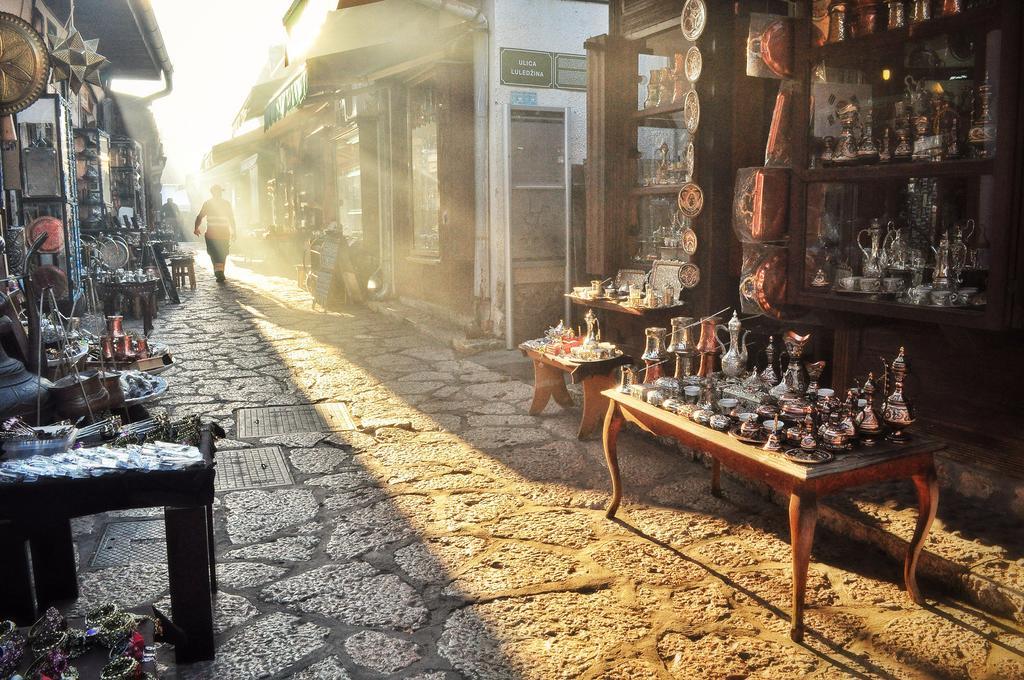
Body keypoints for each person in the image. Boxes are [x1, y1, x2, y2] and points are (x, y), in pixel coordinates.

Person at [194, 185, 236, 283]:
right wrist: (234, 232)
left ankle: (219, 272)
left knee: (214, 253)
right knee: (222, 254)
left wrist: (196, 228)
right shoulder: (226, 204)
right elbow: (231, 219)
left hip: (212, 234)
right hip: (223, 234)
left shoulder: (208, 203)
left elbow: (199, 217)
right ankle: (220, 272)